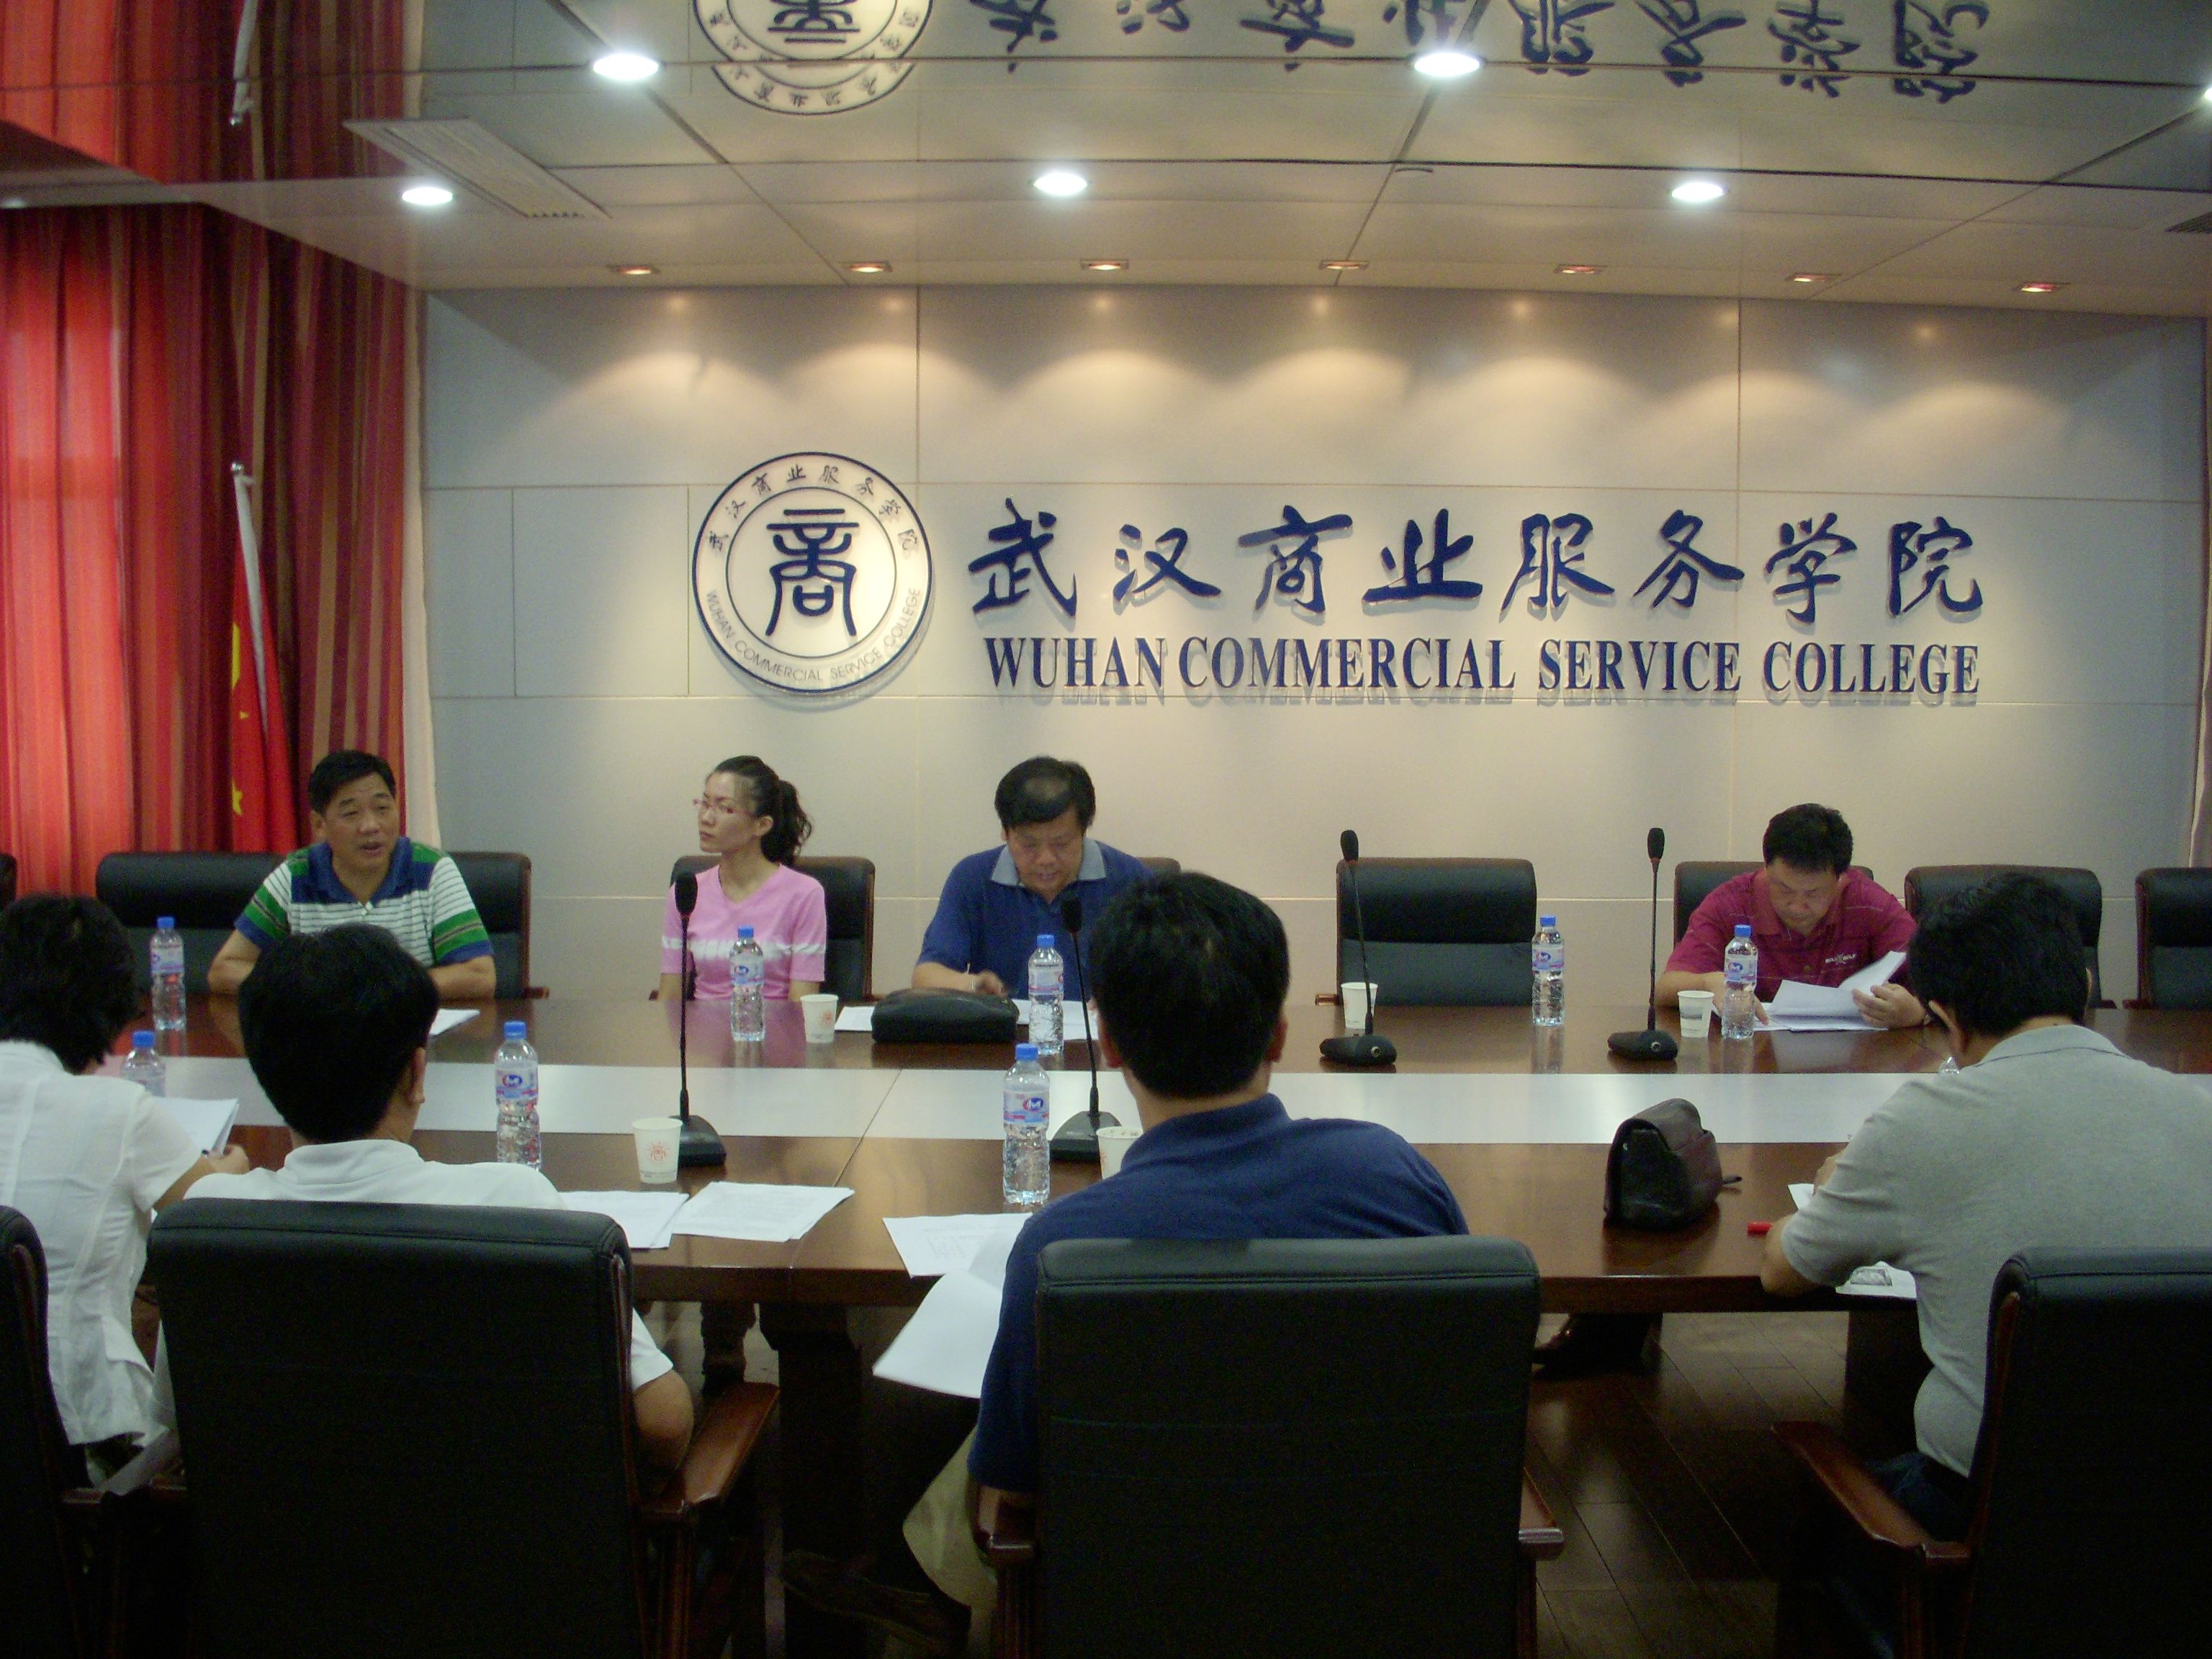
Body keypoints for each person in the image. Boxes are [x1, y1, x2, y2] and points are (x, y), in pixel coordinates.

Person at [789, 873, 1467, 1653]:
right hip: (1383, 1574)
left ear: (1108, 1046)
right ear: (1279, 1036)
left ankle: (915, 1588)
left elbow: (1009, 1494)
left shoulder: (1065, 1247)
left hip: (1142, 1595)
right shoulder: (1396, 1178)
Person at [1761, 874, 2212, 1539]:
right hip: (2186, 1511)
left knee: (1827, 1512)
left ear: (1944, 1017)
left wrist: (1834, 1189)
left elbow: (1784, 1270)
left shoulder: (1924, 1123)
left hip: (1989, 1519)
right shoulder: (2199, 1112)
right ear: (2085, 986)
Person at [181, 925, 693, 1470]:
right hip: (497, 1520)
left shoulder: (211, 1217)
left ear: (265, 1078)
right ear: (416, 1073)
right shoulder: (512, 1206)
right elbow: (661, 1423)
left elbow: (180, 1414)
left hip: (282, 1522)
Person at [0, 896, 246, 1467]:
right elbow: (216, 1216)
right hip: (72, 1438)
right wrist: (229, 1165)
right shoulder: (117, 1109)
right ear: (106, 1010)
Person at [208, 750, 495, 1001]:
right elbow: (225, 970)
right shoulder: (296, 876)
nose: (371, 826)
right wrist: (314, 990)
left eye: (382, 809)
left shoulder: (431, 870)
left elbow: (480, 975)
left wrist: (380, 990)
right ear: (319, 825)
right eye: (351, 814)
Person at [1659, 802, 1924, 1028]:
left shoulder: (1869, 902)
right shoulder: (1728, 904)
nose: (1797, 906)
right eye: (1784, 889)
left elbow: (1939, 983)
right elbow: (1665, 989)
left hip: (1852, 1061)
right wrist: (1707, 983)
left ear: (1842, 879)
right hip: (1753, 1056)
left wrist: (1917, 1012)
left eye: (1813, 894)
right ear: (1766, 869)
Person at [912, 756, 1151, 999]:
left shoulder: (1130, 881)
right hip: (1005, 1022)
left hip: (1099, 1023)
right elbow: (926, 976)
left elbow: (1166, 975)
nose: (1046, 859)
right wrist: (973, 985)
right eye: (1029, 845)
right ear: (1005, 833)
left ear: (1083, 831)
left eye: (1061, 843)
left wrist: (1121, 1003)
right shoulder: (972, 879)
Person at [658, 755, 827, 1003]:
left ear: (762, 825)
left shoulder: (804, 894)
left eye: (725, 808)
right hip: (701, 1027)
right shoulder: (686, 892)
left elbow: (801, 1006)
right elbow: (670, 999)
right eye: (705, 804)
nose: (706, 818)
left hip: (771, 1026)